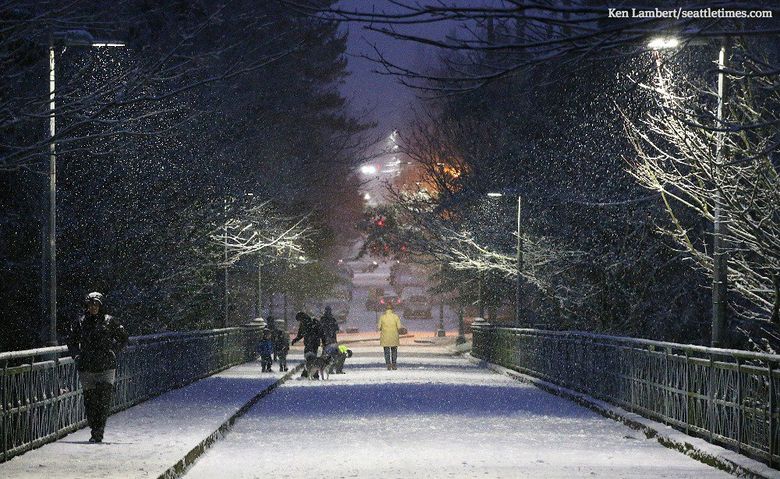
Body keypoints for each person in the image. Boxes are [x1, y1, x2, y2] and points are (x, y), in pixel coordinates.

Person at [67, 292, 128, 443]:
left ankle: (98, 431)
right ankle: (95, 427)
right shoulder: (81, 322)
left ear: (101, 306)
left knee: (104, 399)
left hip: (106, 366)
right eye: (90, 304)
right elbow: (71, 341)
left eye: (96, 304)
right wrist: (76, 355)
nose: (93, 307)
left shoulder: (110, 321)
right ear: (86, 306)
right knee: (90, 400)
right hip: (87, 367)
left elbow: (124, 337)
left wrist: (114, 349)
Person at [291, 311, 322, 377]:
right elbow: (300, 335)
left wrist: (323, 341)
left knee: (311, 359)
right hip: (309, 343)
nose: (300, 322)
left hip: (313, 343)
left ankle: (311, 373)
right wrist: (295, 340)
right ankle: (310, 373)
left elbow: (320, 332)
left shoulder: (313, 321)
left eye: (300, 320)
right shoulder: (304, 324)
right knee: (309, 358)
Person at [378, 304, 404, 370]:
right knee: (394, 351)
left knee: (386, 351)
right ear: (392, 309)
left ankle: (388, 364)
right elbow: (399, 327)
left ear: (385, 309)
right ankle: (394, 364)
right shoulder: (396, 317)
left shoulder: (382, 317)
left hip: (385, 337)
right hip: (394, 336)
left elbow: (379, 327)